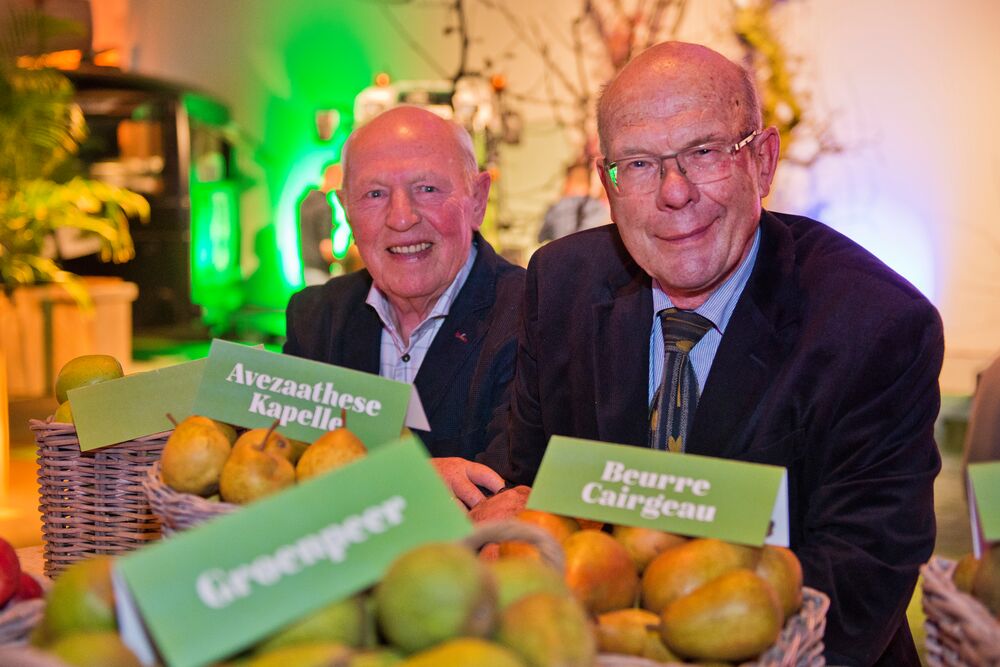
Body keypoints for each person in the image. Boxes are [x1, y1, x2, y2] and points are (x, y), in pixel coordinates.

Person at [479, 42, 943, 666]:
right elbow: (529, 485)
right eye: (639, 164)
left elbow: (860, 580)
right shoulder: (559, 283)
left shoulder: (875, 325)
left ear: (765, 160)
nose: (675, 193)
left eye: (704, 153)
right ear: (607, 183)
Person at [284, 106, 522, 508]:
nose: (401, 218)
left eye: (427, 189)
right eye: (374, 194)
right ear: (347, 211)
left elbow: (509, 490)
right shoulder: (315, 316)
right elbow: (283, 470)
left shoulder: (533, 314)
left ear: (477, 200)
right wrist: (415, 478)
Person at [537, 162, 610, 242]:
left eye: (579, 179)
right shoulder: (557, 206)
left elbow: (582, 238)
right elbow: (541, 236)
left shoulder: (594, 207)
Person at [298, 164, 340, 286]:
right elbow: (325, 247)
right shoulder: (324, 206)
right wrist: (344, 262)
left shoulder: (305, 201)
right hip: (321, 270)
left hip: (308, 266)